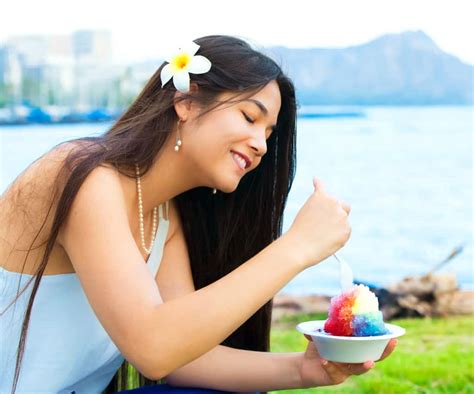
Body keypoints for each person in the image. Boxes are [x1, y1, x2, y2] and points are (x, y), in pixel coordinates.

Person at [0, 35, 396, 394]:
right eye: (249, 117)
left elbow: (182, 359)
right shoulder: (82, 176)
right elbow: (153, 347)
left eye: (269, 134)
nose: (260, 145)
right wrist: (296, 248)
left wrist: (309, 370)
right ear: (186, 102)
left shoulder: (161, 218)